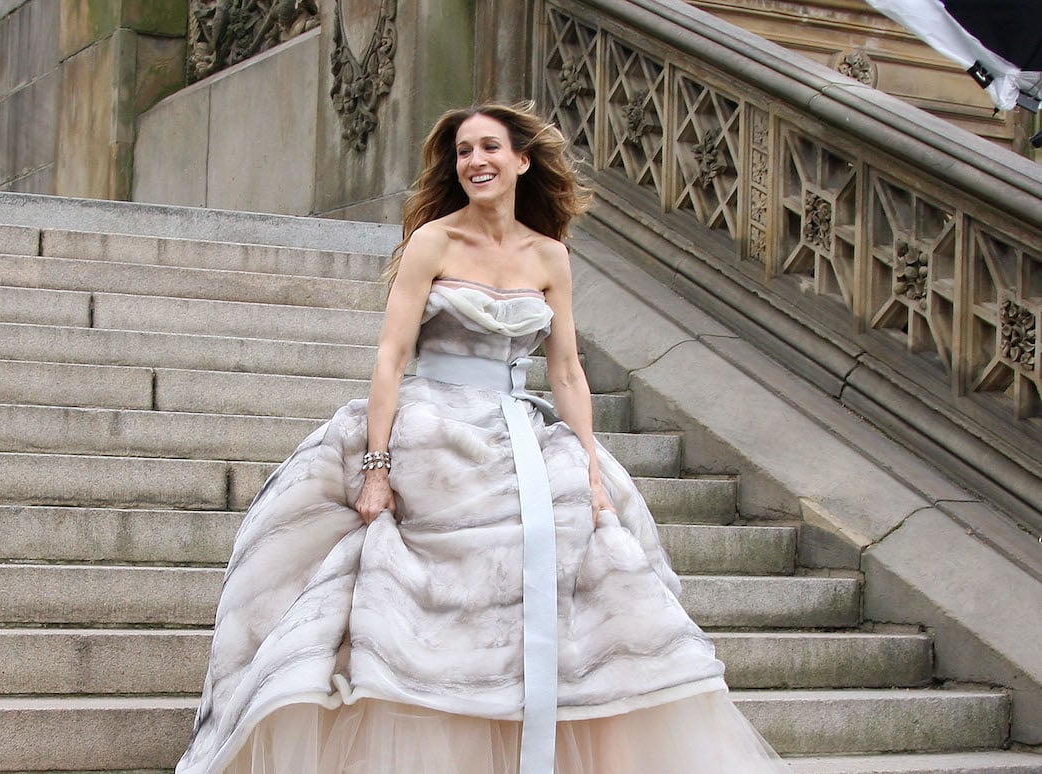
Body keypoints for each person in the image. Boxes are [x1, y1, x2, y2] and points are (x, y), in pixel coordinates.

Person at [175, 102, 791, 773]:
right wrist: (377, 467)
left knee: (595, 543)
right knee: (429, 572)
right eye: (464, 151)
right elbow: (390, 357)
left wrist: (589, 466)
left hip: (518, 423)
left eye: (490, 147)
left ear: (522, 160)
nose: (476, 162)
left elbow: (566, 371)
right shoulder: (433, 243)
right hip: (433, 421)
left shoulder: (550, 255)